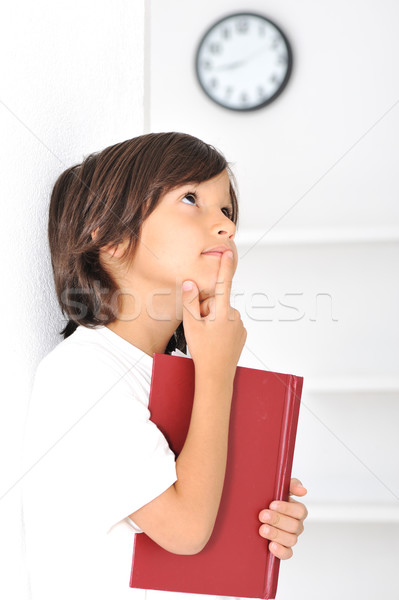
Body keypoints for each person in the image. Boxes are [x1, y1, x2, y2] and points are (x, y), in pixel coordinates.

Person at [21, 132, 308, 600]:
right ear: (109, 236)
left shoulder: (180, 375)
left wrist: (254, 516)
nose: (226, 227)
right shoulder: (81, 374)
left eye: (227, 210)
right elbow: (186, 530)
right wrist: (216, 372)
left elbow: (200, 530)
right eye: (192, 199)